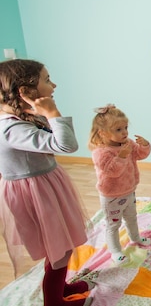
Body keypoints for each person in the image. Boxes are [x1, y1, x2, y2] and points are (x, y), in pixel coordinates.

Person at [0, 59, 92, 306]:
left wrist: (42, 114)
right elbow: (66, 145)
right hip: (36, 194)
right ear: (25, 91)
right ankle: (54, 300)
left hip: (45, 186)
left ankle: (60, 286)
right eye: (47, 79)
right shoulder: (11, 129)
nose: (54, 85)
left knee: (62, 242)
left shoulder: (21, 118)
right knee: (59, 249)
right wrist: (53, 113)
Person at [88, 104, 151, 265]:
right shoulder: (100, 152)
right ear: (103, 133)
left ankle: (135, 237)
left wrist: (145, 145)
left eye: (125, 127)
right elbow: (113, 171)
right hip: (112, 196)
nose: (124, 132)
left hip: (129, 190)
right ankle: (115, 250)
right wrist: (122, 156)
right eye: (118, 130)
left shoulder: (128, 143)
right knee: (113, 224)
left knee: (131, 218)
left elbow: (139, 154)